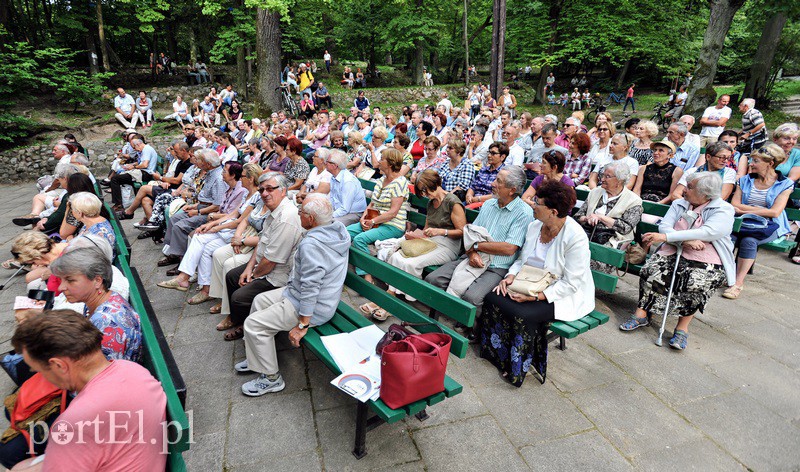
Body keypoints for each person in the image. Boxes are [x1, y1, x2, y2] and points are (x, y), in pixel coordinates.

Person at [10, 311, 165, 470]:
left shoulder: (75, 424)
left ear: (59, 365)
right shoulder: (133, 370)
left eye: (39, 371)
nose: (41, 377)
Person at [479, 180, 593, 386]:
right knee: (493, 298)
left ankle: (515, 368)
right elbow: (522, 260)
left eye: (537, 203)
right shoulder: (535, 226)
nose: (532, 204)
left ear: (553, 211)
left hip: (561, 294)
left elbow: (571, 283)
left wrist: (535, 297)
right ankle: (496, 355)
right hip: (529, 282)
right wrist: (510, 276)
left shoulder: (576, 237)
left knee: (523, 314)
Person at [236, 195, 349, 395]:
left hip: (312, 306)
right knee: (259, 300)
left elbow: (311, 287)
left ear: (312, 219)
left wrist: (303, 324)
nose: (298, 213)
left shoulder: (312, 245)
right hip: (302, 294)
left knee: (253, 324)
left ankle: (271, 378)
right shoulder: (337, 230)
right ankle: (258, 358)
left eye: (301, 211)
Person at [621, 172, 735, 350]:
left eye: (690, 187)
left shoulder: (723, 209)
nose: (684, 190)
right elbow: (665, 225)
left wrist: (669, 236)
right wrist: (683, 240)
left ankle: (682, 328)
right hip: (674, 248)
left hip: (707, 254)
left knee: (697, 282)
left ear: (705, 194)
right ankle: (642, 314)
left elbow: (709, 232)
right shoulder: (679, 203)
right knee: (652, 270)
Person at [426, 166, 534, 337]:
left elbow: (509, 248)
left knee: (472, 298)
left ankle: (474, 330)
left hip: (498, 265)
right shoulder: (489, 204)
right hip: (471, 256)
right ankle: (442, 315)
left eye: (499, 181)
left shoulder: (524, 212)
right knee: (433, 279)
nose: (492, 184)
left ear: (512, 189)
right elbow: (470, 233)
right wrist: (472, 252)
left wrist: (477, 247)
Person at [220, 173, 303, 340]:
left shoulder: (286, 217)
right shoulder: (274, 210)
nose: (265, 193)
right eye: (262, 190)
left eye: (270, 189)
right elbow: (262, 243)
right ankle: (238, 319)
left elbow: (271, 261)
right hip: (266, 265)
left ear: (283, 191)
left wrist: (253, 276)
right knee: (232, 276)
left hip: (279, 275)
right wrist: (250, 268)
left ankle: (247, 326)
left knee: (239, 296)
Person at [157, 162, 256, 298]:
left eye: (243, 176)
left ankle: (202, 288)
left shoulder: (249, 194)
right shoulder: (246, 194)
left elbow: (238, 220)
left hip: (236, 232)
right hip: (228, 227)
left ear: (250, 179)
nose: (240, 178)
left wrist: (214, 226)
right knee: (198, 236)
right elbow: (232, 215)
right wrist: (212, 225)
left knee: (206, 245)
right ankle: (185, 278)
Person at [724, 144, 794, 297]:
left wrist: (744, 209)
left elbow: (775, 212)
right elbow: (734, 205)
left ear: (770, 163)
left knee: (749, 241)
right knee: (727, 238)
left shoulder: (785, 183)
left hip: (769, 225)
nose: (751, 164)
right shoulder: (745, 180)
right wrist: (752, 210)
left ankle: (737, 283)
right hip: (743, 222)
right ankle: (724, 274)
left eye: (755, 161)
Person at [158, 150, 230, 268]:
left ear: (207, 163)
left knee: (180, 226)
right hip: (202, 206)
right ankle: (174, 253)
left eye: (200, 160)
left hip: (209, 212)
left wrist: (197, 211)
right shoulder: (209, 173)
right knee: (175, 218)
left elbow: (217, 205)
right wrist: (194, 206)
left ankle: (182, 260)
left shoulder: (218, 178)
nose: (197, 162)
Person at [347, 149, 409, 279]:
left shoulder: (400, 182)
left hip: (392, 226)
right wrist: (364, 218)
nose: (378, 162)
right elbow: (372, 204)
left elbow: (393, 212)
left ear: (390, 164)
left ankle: (366, 275)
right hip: (374, 221)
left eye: (382, 159)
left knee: (359, 239)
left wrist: (373, 222)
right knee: (346, 232)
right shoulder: (381, 180)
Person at [575, 161, 643, 269]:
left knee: (592, 261)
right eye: (602, 175)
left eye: (607, 176)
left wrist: (601, 217)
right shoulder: (595, 192)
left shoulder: (634, 201)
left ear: (619, 181)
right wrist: (587, 218)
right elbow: (578, 216)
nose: (602, 179)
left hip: (613, 239)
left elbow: (626, 228)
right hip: (587, 234)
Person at [672, 141, 736, 202]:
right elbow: (675, 195)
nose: (725, 161)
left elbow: (721, 198)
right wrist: (690, 206)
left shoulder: (729, 173)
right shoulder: (692, 171)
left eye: (728, 158)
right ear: (708, 157)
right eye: (722, 157)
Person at [324, 149, 367, 226]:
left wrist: (328, 216)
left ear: (335, 165)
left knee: (329, 224)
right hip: (340, 210)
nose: (325, 163)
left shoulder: (348, 181)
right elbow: (332, 198)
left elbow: (345, 209)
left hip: (354, 214)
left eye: (327, 161)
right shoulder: (334, 177)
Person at [633, 140, 683, 204]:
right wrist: (638, 202)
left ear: (670, 155)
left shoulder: (677, 171)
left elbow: (671, 194)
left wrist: (657, 205)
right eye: (655, 150)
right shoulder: (644, 168)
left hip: (661, 204)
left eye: (661, 150)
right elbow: (637, 189)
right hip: (641, 201)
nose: (656, 153)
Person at [465, 141, 507, 209]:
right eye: (489, 152)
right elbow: (473, 186)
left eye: (493, 153)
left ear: (502, 157)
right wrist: (469, 195)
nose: (489, 155)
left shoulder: (504, 173)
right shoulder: (483, 169)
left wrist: (478, 199)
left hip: (490, 205)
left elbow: (498, 195)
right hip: (473, 201)